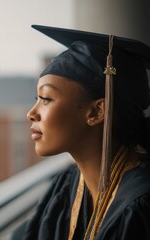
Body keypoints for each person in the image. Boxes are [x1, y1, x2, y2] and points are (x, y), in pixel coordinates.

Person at [22, 25, 150, 240]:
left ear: (97, 111)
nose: (31, 114)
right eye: (37, 100)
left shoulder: (141, 203)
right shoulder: (67, 183)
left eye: (46, 100)